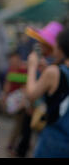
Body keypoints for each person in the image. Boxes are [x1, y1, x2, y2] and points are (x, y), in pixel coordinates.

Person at [26, 28, 69, 157]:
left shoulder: (53, 72)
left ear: (61, 48)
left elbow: (31, 95)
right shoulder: (54, 70)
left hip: (55, 140)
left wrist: (32, 67)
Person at [1, 51, 31, 157]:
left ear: (18, 59)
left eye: (15, 60)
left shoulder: (24, 70)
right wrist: (4, 96)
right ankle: (13, 145)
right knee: (19, 125)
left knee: (21, 126)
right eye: (11, 60)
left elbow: (25, 87)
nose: (13, 62)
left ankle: (15, 145)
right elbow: (7, 84)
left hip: (22, 103)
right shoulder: (11, 70)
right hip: (14, 102)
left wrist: (24, 102)